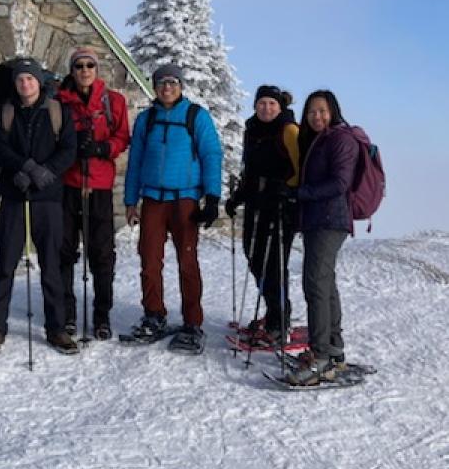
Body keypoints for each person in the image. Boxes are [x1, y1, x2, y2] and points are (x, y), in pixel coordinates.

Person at [0, 57, 78, 356]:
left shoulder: (57, 111)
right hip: (16, 197)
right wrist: (21, 167)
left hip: (47, 199)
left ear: (39, 82)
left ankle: (57, 328)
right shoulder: (6, 112)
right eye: (21, 79)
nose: (25, 84)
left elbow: (69, 149)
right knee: (6, 266)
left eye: (30, 79)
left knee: (51, 265)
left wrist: (46, 171)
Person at [124, 63, 222, 353]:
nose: (167, 88)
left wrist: (213, 197)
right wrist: (131, 201)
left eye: (173, 83)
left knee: (187, 262)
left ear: (181, 86)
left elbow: (211, 154)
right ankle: (154, 314)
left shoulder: (196, 116)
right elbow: (136, 161)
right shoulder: (146, 119)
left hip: (185, 199)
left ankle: (192, 322)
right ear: (155, 87)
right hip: (154, 199)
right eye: (162, 83)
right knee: (150, 260)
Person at [56, 47, 130, 340]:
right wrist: (72, 146)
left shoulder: (113, 101)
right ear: (72, 71)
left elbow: (122, 136)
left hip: (98, 186)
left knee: (101, 254)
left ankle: (102, 315)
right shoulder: (60, 102)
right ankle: (67, 313)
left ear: (96, 70)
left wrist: (102, 148)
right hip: (68, 185)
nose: (84, 70)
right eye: (78, 66)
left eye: (89, 66)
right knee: (63, 252)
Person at [287, 89, 357, 386]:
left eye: (322, 111)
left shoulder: (341, 138)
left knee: (315, 283)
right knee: (325, 283)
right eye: (311, 111)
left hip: (331, 220)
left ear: (333, 111)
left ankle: (320, 358)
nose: (316, 116)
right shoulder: (320, 139)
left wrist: (299, 194)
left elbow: (340, 182)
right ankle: (333, 351)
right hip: (319, 220)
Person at [225, 86, 300, 342]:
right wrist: (238, 197)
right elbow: (250, 170)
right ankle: (273, 313)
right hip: (257, 203)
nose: (266, 108)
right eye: (262, 103)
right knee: (254, 256)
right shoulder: (252, 131)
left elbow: (301, 169)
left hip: (281, 206)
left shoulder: (289, 130)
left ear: (280, 107)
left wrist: (288, 190)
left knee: (274, 264)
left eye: (271, 104)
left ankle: (280, 321)